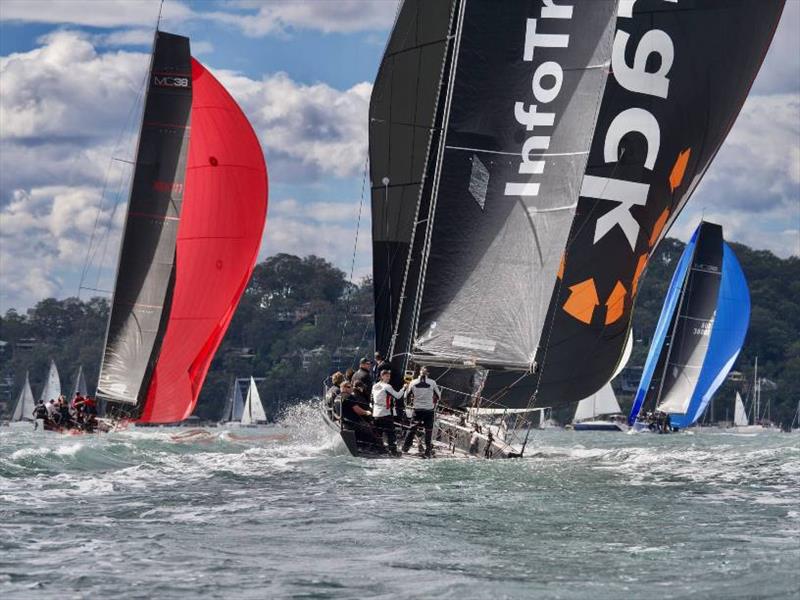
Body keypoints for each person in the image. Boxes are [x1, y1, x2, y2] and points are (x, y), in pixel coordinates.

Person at [402, 366, 440, 458]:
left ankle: (405, 448)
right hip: (429, 410)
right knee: (428, 430)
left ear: (419, 373)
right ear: (428, 374)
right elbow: (439, 396)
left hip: (417, 409)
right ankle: (428, 450)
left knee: (412, 428)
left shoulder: (413, 382)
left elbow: (405, 395)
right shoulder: (432, 383)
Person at [371, 369, 404, 455]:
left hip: (376, 413)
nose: (388, 378)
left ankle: (377, 450)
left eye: (389, 376)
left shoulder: (374, 386)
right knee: (390, 433)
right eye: (386, 376)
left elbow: (372, 399)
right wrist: (404, 388)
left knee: (378, 433)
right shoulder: (387, 386)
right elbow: (397, 396)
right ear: (382, 376)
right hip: (385, 413)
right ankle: (393, 451)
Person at [339, 381, 375, 446]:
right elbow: (358, 410)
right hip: (353, 423)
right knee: (369, 428)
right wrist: (367, 412)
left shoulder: (338, 397)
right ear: (343, 388)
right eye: (349, 387)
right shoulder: (349, 396)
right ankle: (373, 448)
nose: (351, 388)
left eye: (351, 387)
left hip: (344, 422)